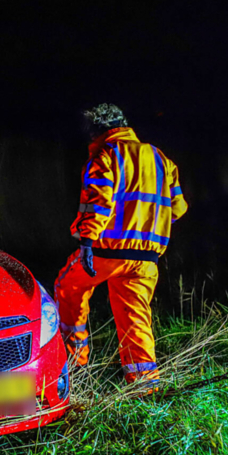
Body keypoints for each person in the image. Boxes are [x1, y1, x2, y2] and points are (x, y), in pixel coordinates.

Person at [53, 103, 187, 393]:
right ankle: (144, 384)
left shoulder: (106, 155)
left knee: (68, 287)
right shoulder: (160, 158)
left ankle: (74, 362)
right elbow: (178, 208)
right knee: (135, 316)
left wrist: (87, 242)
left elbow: (97, 203)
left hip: (106, 252)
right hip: (147, 259)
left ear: (96, 131)